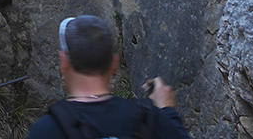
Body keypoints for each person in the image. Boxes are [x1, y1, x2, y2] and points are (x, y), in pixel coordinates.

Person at [27, 15, 191, 139]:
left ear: (64, 62)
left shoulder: (46, 130)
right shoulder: (150, 120)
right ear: (114, 64)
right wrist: (168, 113)